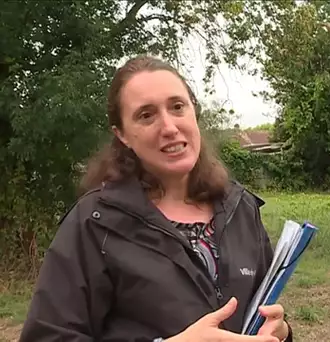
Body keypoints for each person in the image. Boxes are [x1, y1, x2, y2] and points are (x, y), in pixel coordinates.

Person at [19, 55, 293, 342]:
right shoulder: (94, 223)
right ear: (122, 134)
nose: (169, 127)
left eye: (177, 107)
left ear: (193, 112)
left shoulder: (240, 208)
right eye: (146, 115)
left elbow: (265, 312)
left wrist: (280, 330)